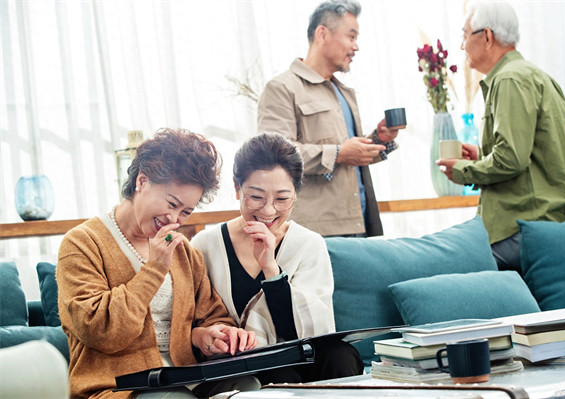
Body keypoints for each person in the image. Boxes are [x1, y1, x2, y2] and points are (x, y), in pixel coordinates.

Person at [57, 128, 260, 399]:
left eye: (186, 211)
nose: (174, 218)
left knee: (250, 389)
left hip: (188, 379)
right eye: (172, 203)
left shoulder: (184, 251)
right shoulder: (82, 244)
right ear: (142, 181)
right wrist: (154, 270)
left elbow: (212, 314)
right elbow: (100, 331)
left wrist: (210, 334)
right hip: (118, 387)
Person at [191, 132, 364, 384]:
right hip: (240, 364)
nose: (269, 210)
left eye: (282, 198)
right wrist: (207, 335)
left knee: (340, 355)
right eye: (256, 197)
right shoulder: (205, 245)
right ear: (237, 189)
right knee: (277, 372)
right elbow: (187, 323)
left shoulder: (309, 244)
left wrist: (270, 268)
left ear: (296, 193)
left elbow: (310, 333)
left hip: (301, 359)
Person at [436, 1, 565, 273]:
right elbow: (531, 158)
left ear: (487, 36)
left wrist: (463, 170)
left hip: (527, 227)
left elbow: (511, 160)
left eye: (464, 35)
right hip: (551, 223)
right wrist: (482, 157)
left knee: (453, 269)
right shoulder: (535, 76)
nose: (461, 46)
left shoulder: (509, 80)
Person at [257, 0, 402, 238]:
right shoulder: (282, 88)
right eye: (351, 36)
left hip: (360, 223)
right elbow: (274, 156)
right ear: (322, 33)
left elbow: (348, 155)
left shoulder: (344, 92)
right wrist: (338, 153)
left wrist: (378, 140)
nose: (356, 47)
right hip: (319, 232)